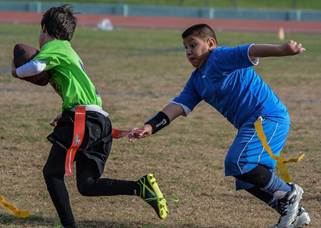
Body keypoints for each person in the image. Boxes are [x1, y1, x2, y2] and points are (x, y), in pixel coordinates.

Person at [128, 24, 310, 227]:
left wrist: (282, 50)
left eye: (193, 45)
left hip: (267, 117)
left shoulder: (219, 57)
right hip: (255, 124)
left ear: (211, 44)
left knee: (238, 162)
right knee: (246, 178)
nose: (188, 52)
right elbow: (178, 105)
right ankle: (295, 213)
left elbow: (250, 50)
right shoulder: (197, 80)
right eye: (185, 48)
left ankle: (289, 193)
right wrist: (150, 126)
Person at [11, 5, 168, 228]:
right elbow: (84, 92)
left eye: (41, 32)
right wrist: (66, 112)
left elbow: (35, 66)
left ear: (46, 30)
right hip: (98, 120)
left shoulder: (56, 46)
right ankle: (140, 187)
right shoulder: (71, 54)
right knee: (87, 184)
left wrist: (15, 71)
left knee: (51, 173)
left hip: (83, 120)